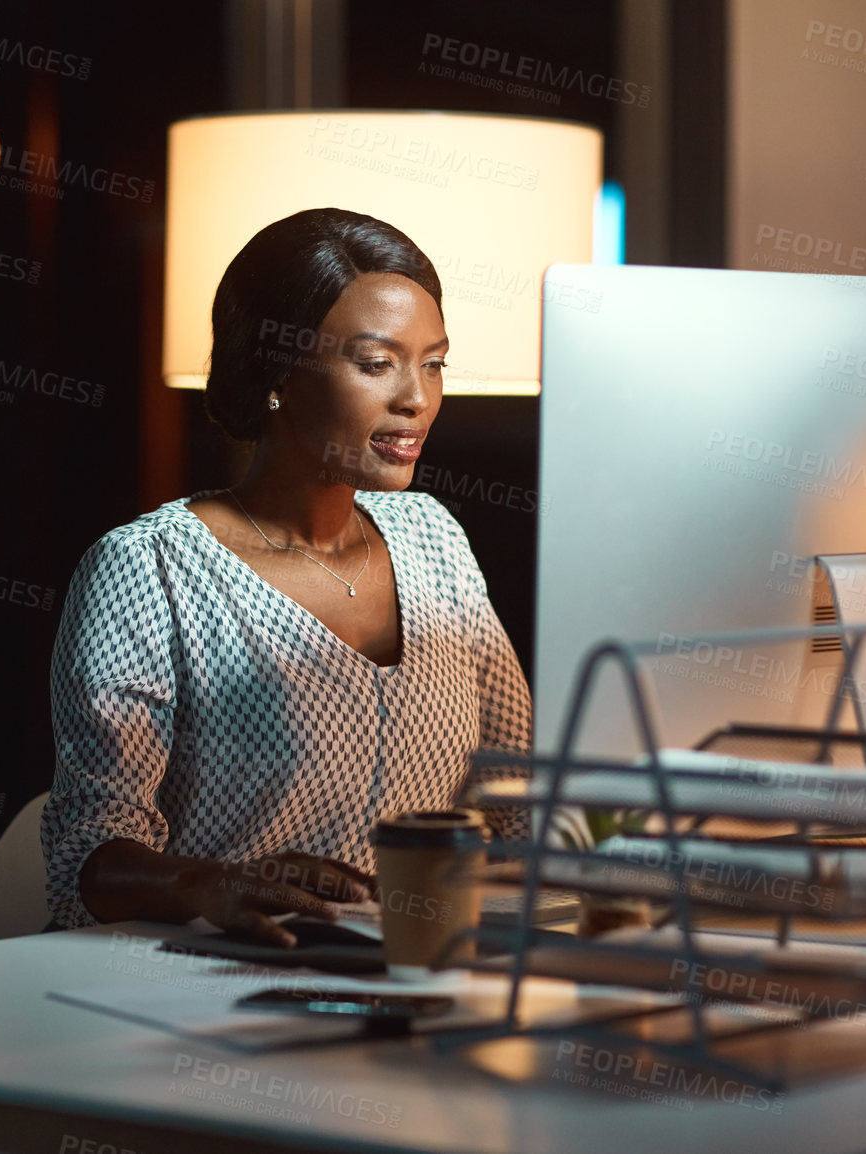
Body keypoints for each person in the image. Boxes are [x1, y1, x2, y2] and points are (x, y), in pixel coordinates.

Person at [40, 207, 533, 945]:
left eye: (433, 363)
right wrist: (211, 883)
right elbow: (87, 858)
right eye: (376, 364)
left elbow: (512, 799)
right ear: (276, 373)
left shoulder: (434, 539)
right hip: (201, 990)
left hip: (404, 976)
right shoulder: (151, 569)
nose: (418, 399)